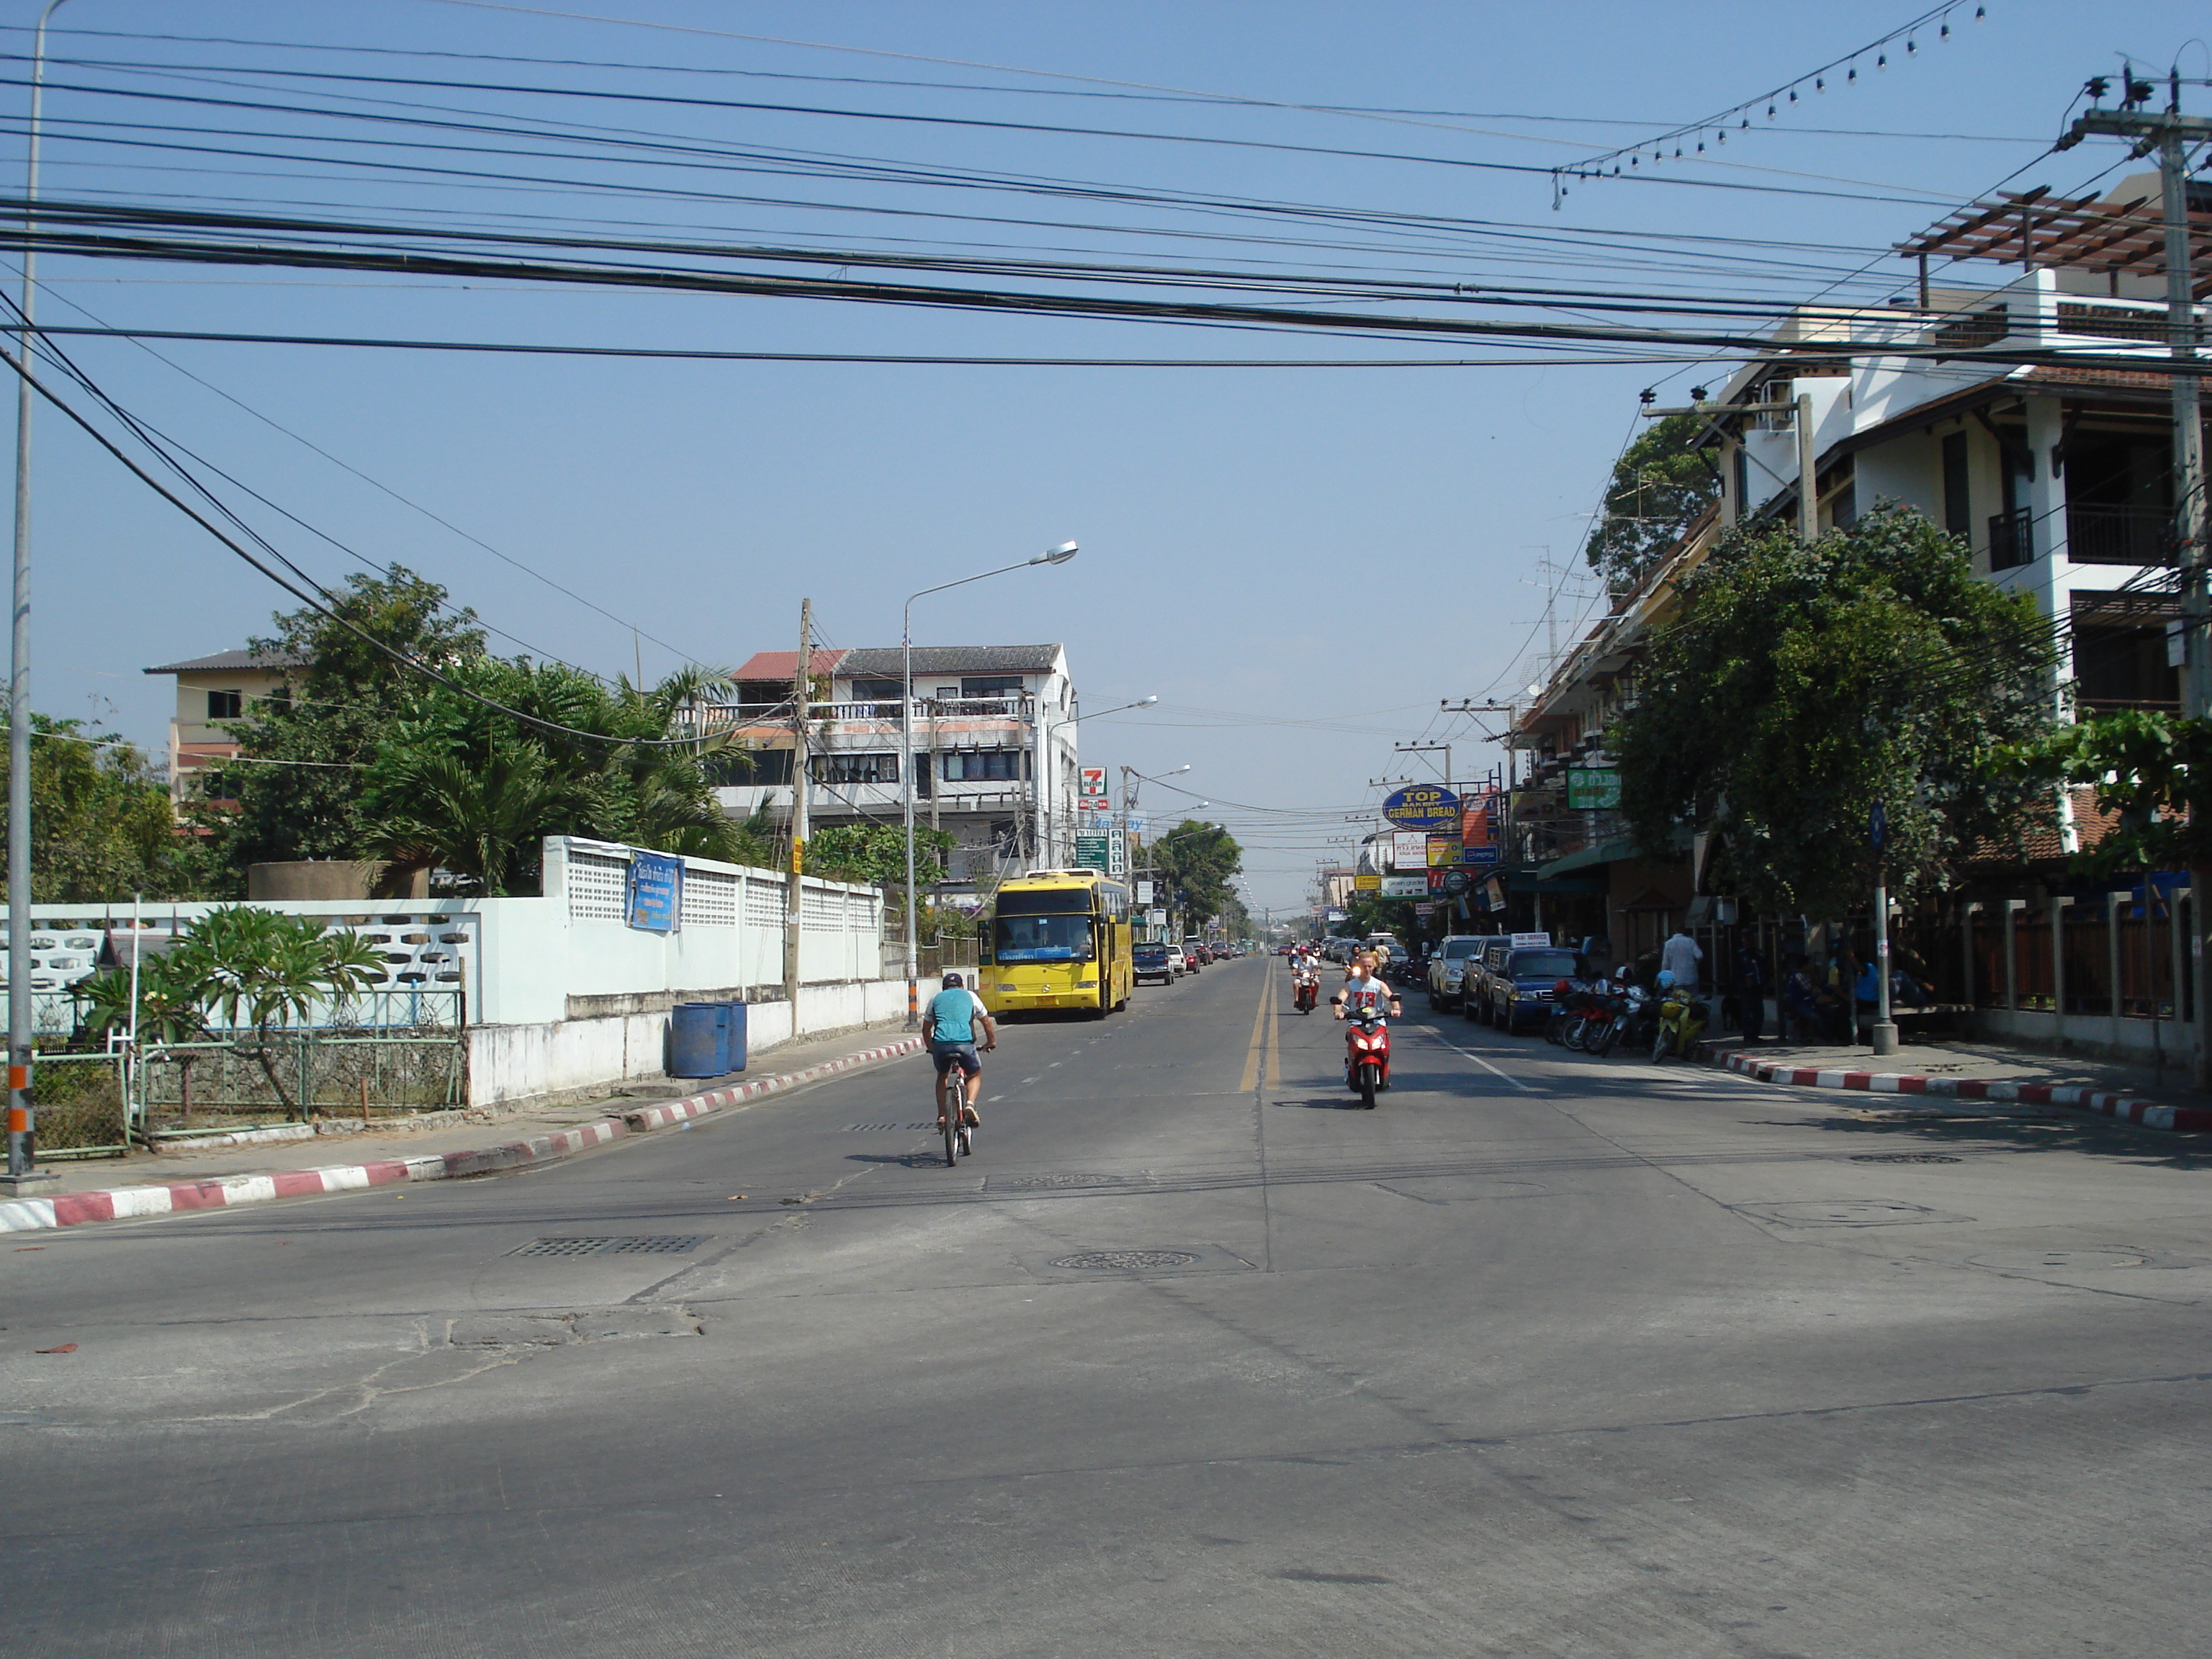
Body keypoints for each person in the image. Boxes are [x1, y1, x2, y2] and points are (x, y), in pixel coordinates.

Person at [924, 971, 996, 1131]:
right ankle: (970, 1104)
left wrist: (931, 1048)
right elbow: (987, 1022)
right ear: (962, 986)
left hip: (941, 1045)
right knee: (975, 1074)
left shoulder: (935, 999)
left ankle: (942, 1115)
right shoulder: (970, 996)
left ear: (944, 988)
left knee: (942, 1076)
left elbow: (926, 1029)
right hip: (965, 1044)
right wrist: (990, 1042)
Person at [1332, 956, 1402, 1022]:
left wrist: (1396, 1009)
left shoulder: (1379, 984)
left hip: (1376, 1020)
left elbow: (1391, 997)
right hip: (1356, 1021)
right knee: (1351, 1032)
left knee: (1383, 1033)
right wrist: (1338, 1012)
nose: (1367, 969)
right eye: (1364, 966)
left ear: (1374, 967)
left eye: (1370, 966)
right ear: (1359, 967)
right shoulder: (1350, 985)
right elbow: (1340, 1000)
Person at [1735, 939, 1767, 1044]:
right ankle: (1748, 1036)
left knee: (1759, 1012)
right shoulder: (1740, 954)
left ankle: (1756, 1035)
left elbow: (1764, 967)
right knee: (1747, 1012)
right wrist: (1744, 979)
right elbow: (1736, 970)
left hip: (1758, 986)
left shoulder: (1758, 953)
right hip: (1746, 988)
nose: (1747, 941)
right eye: (1745, 939)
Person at [1660, 925, 1704, 992]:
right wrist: (1695, 963)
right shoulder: (1690, 941)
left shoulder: (1668, 944)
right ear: (1684, 931)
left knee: (1678, 999)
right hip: (1690, 975)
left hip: (1676, 977)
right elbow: (1699, 956)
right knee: (1693, 998)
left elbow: (1666, 962)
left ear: (1674, 931)